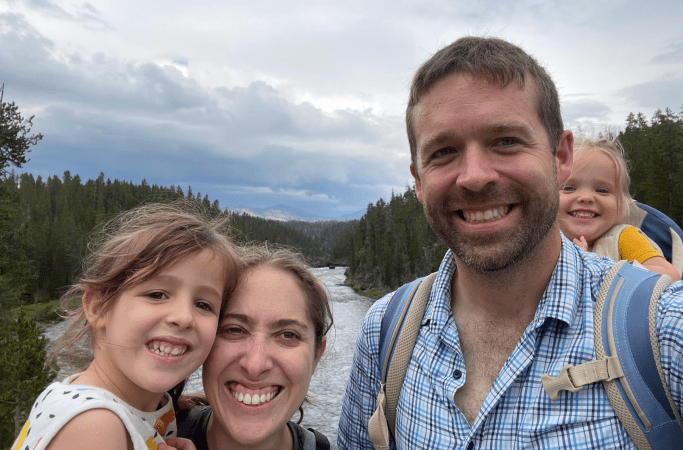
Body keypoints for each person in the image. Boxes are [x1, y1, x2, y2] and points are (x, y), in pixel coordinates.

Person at [337, 36, 683, 449]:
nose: (475, 176)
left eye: (506, 141)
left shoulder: (664, 329)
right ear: (418, 181)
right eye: (444, 151)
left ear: (560, 157)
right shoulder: (384, 332)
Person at [12, 201, 240, 450]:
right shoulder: (95, 427)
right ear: (98, 308)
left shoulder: (138, 407)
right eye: (157, 294)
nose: (184, 317)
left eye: (204, 305)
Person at [177, 245, 333, 450]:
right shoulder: (145, 436)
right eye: (234, 330)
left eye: (288, 335)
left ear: (316, 355)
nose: (255, 365)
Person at [559, 135, 680, 281]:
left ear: (621, 204)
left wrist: (594, 267)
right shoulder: (542, 241)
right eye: (569, 188)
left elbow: (669, 275)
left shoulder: (624, 238)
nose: (586, 197)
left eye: (602, 190)